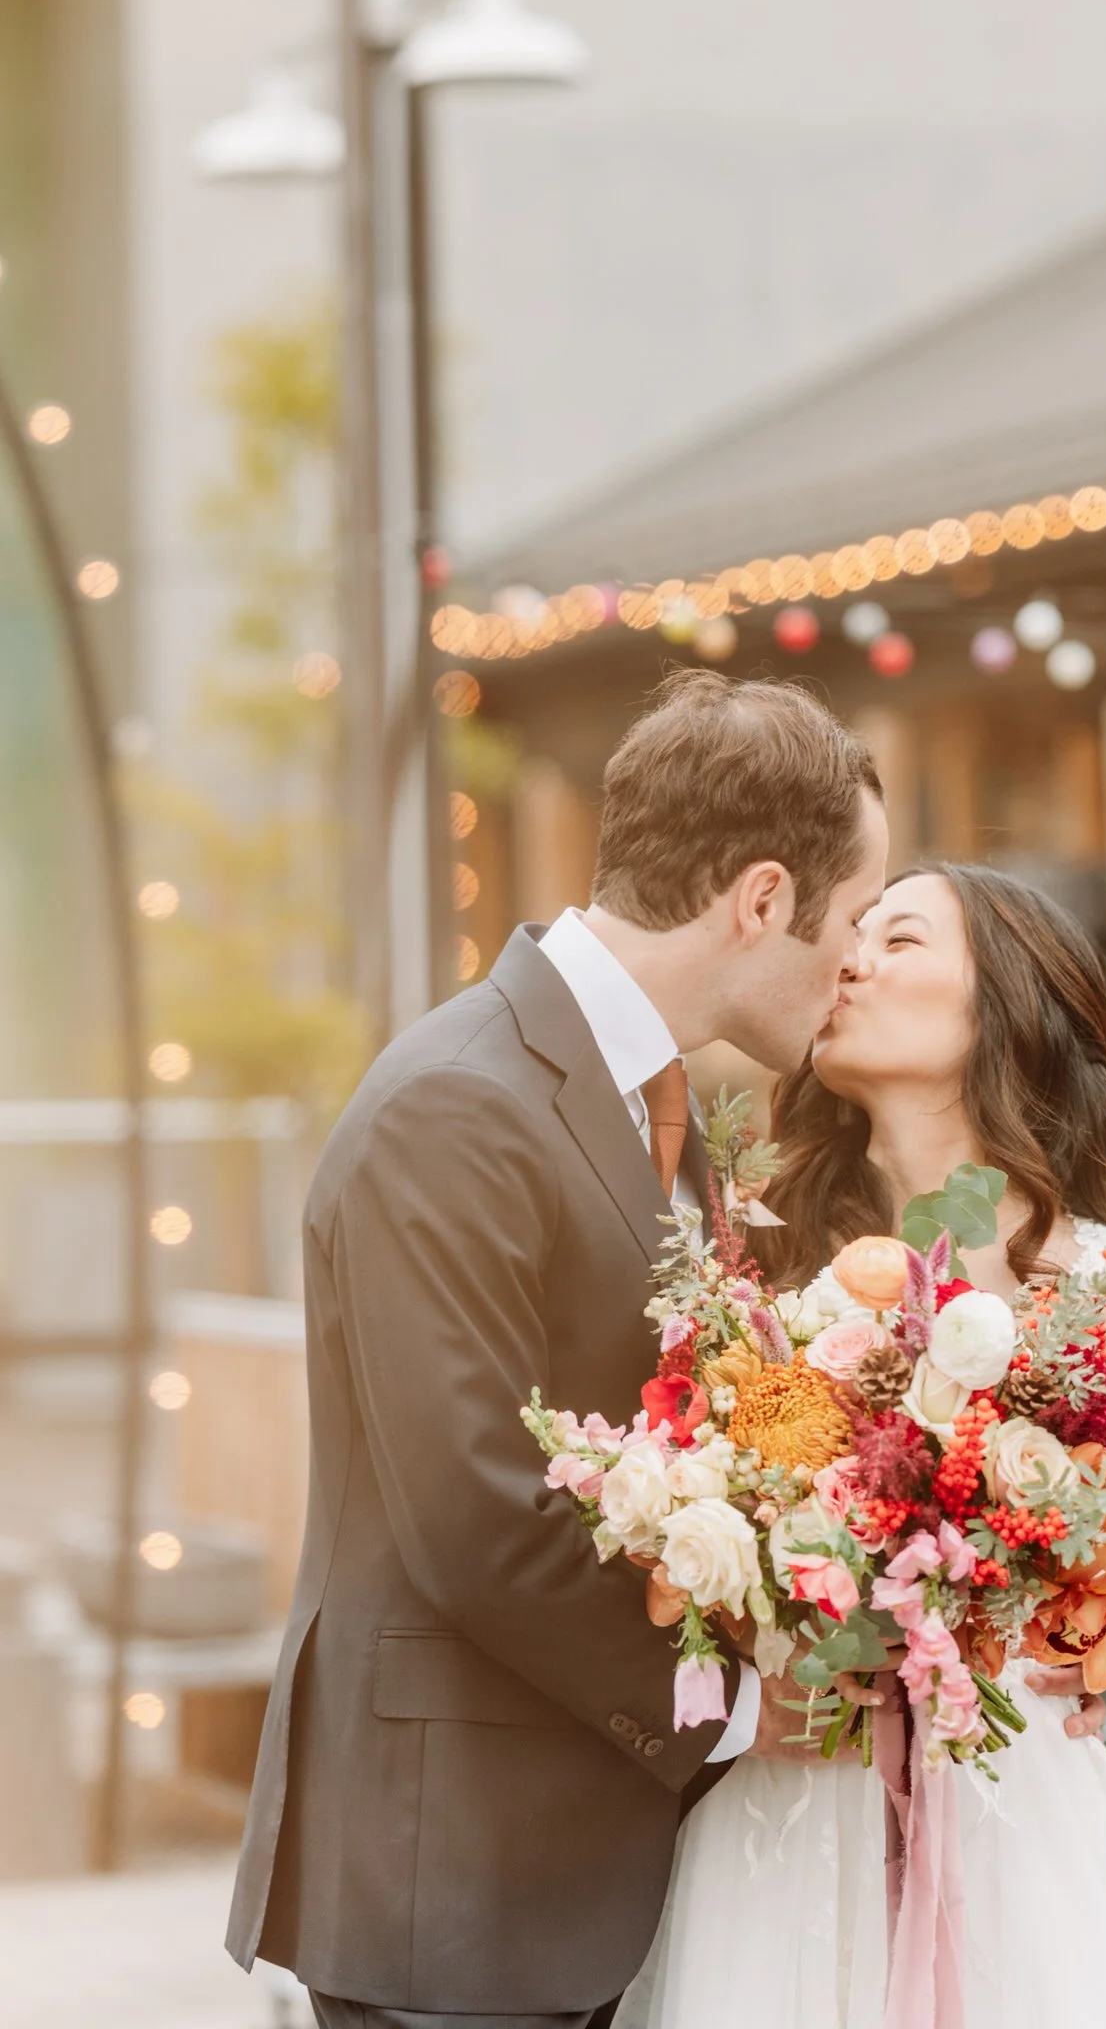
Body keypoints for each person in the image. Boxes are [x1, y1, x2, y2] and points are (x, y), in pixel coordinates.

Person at [228, 672, 890, 2029]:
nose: (854, 965)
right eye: (854, 918)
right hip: (458, 1874)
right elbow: (474, 1513)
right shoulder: (456, 1107)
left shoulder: (652, 1101)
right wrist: (728, 1711)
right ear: (760, 899)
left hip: (569, 1864)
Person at [616, 863, 1106, 2028]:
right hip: (792, 1801)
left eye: (897, 938)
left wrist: (1006, 1565)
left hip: (1012, 1812)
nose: (847, 957)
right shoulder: (765, 1274)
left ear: (999, 1003)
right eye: (852, 933)